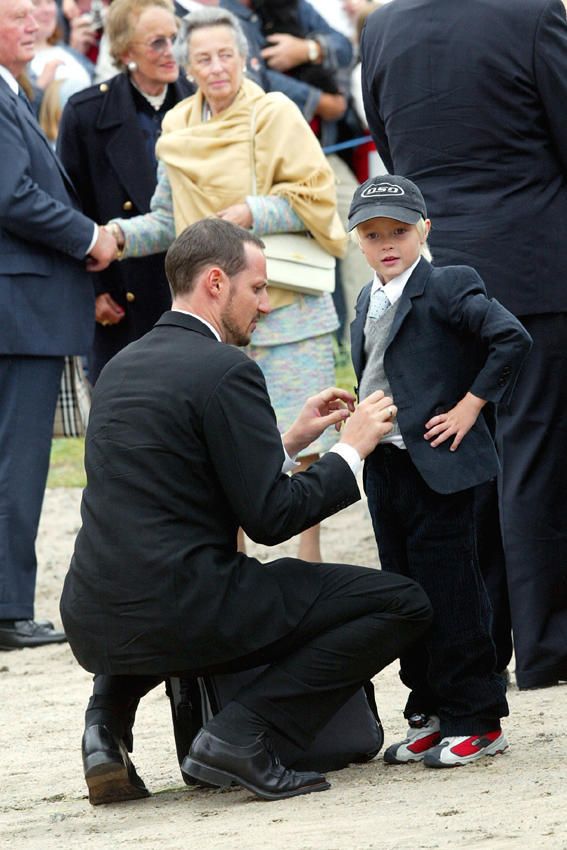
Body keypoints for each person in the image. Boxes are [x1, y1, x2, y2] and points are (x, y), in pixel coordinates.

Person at [60, 217, 432, 805]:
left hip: (93, 614)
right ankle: (242, 731)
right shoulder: (228, 368)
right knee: (404, 603)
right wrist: (350, 449)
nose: (264, 303)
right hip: (189, 608)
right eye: (257, 289)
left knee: (150, 584)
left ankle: (103, 732)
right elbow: (271, 519)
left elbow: (177, 480)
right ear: (215, 283)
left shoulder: (120, 368)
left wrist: (283, 445)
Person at [359, 0, 567, 691]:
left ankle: (482, 646)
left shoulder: (382, 28)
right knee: (532, 455)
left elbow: (389, 148)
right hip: (529, 262)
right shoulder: (532, 17)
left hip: (436, 271)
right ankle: (546, 646)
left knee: (467, 463)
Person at [108, 7, 347, 562]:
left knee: (302, 440)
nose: (216, 67)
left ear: (246, 57)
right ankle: (231, 564)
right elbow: (169, 220)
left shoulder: (275, 112)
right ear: (187, 68)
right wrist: (115, 237)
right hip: (217, 318)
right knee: (225, 446)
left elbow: (316, 197)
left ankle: (305, 561)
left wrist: (250, 212)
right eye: (203, 58)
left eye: (226, 55)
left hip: (286, 310)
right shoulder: (177, 129)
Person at [348, 175, 532, 767]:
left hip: (443, 464)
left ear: (425, 229)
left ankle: (477, 715)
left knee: (454, 590)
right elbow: (382, 369)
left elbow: (511, 338)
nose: (387, 244)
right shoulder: (364, 300)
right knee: (406, 590)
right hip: (387, 465)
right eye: (373, 235)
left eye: (399, 231)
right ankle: (428, 709)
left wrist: (470, 407)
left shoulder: (449, 284)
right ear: (358, 242)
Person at [0, 0, 116, 650]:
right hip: (18, 309)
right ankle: (9, 608)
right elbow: (11, 194)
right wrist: (88, 237)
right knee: (17, 462)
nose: (34, 26)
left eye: (36, 14)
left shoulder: (16, 89)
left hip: (20, 307)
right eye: (16, 15)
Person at [57, 0, 194, 383]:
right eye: (157, 43)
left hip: (192, 283)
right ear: (123, 51)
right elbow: (73, 206)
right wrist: (94, 291)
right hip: (121, 290)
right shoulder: (86, 112)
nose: (171, 52)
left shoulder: (201, 102)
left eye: (175, 39)